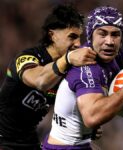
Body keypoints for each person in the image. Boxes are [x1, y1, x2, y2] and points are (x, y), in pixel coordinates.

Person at [42, 6, 123, 150]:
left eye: (115, 34)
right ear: (90, 35)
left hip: (83, 143)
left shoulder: (117, 57)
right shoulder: (85, 65)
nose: (109, 41)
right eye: (102, 34)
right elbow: (92, 118)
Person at [0, 4, 99, 150]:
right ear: (52, 35)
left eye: (79, 37)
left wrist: (88, 126)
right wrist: (67, 59)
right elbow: (40, 81)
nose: (78, 44)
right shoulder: (28, 57)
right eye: (72, 37)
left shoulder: (69, 71)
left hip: (30, 142)